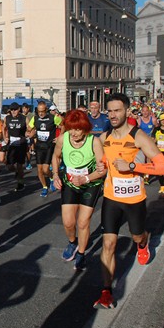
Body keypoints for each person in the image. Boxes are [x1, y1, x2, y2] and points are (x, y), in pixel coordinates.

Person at [93, 93, 164, 309]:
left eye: (117, 110)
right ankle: (106, 291)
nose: (113, 114)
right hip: (111, 198)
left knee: (137, 236)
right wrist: (101, 167)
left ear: (127, 111)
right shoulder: (103, 137)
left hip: (134, 199)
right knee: (108, 244)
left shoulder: (139, 137)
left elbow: (163, 167)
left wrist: (134, 167)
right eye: (110, 111)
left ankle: (143, 244)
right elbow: (103, 164)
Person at [51, 110, 107, 271]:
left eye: (78, 129)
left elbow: (102, 170)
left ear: (85, 128)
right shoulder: (63, 139)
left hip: (90, 184)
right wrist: (55, 175)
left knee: (83, 222)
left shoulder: (94, 142)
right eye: (71, 129)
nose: (74, 133)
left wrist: (86, 178)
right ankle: (72, 242)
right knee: (68, 222)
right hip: (70, 183)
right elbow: (56, 157)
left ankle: (81, 254)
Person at [28, 101, 57, 197]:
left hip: (49, 146)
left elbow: (63, 125)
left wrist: (59, 136)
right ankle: (44, 187)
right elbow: (29, 128)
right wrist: (31, 132)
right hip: (39, 146)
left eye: (42, 111)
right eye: (38, 111)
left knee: (45, 169)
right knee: (39, 170)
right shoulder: (35, 118)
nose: (40, 113)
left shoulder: (53, 117)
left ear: (46, 110)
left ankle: (51, 178)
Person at [4, 102, 28, 192]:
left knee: (19, 165)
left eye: (15, 109)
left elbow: (30, 128)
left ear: (19, 109)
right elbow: (4, 128)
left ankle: (20, 183)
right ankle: (17, 172)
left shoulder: (24, 118)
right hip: (11, 144)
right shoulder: (7, 118)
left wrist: (28, 133)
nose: (13, 111)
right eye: (12, 110)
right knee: (9, 165)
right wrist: (5, 137)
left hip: (21, 143)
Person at [22, 103, 35, 171]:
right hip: (21, 135)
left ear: (28, 109)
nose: (23, 110)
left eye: (25, 108)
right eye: (22, 108)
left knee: (27, 150)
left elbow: (33, 126)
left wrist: (30, 134)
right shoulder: (21, 115)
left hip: (29, 134)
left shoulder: (31, 115)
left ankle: (28, 162)